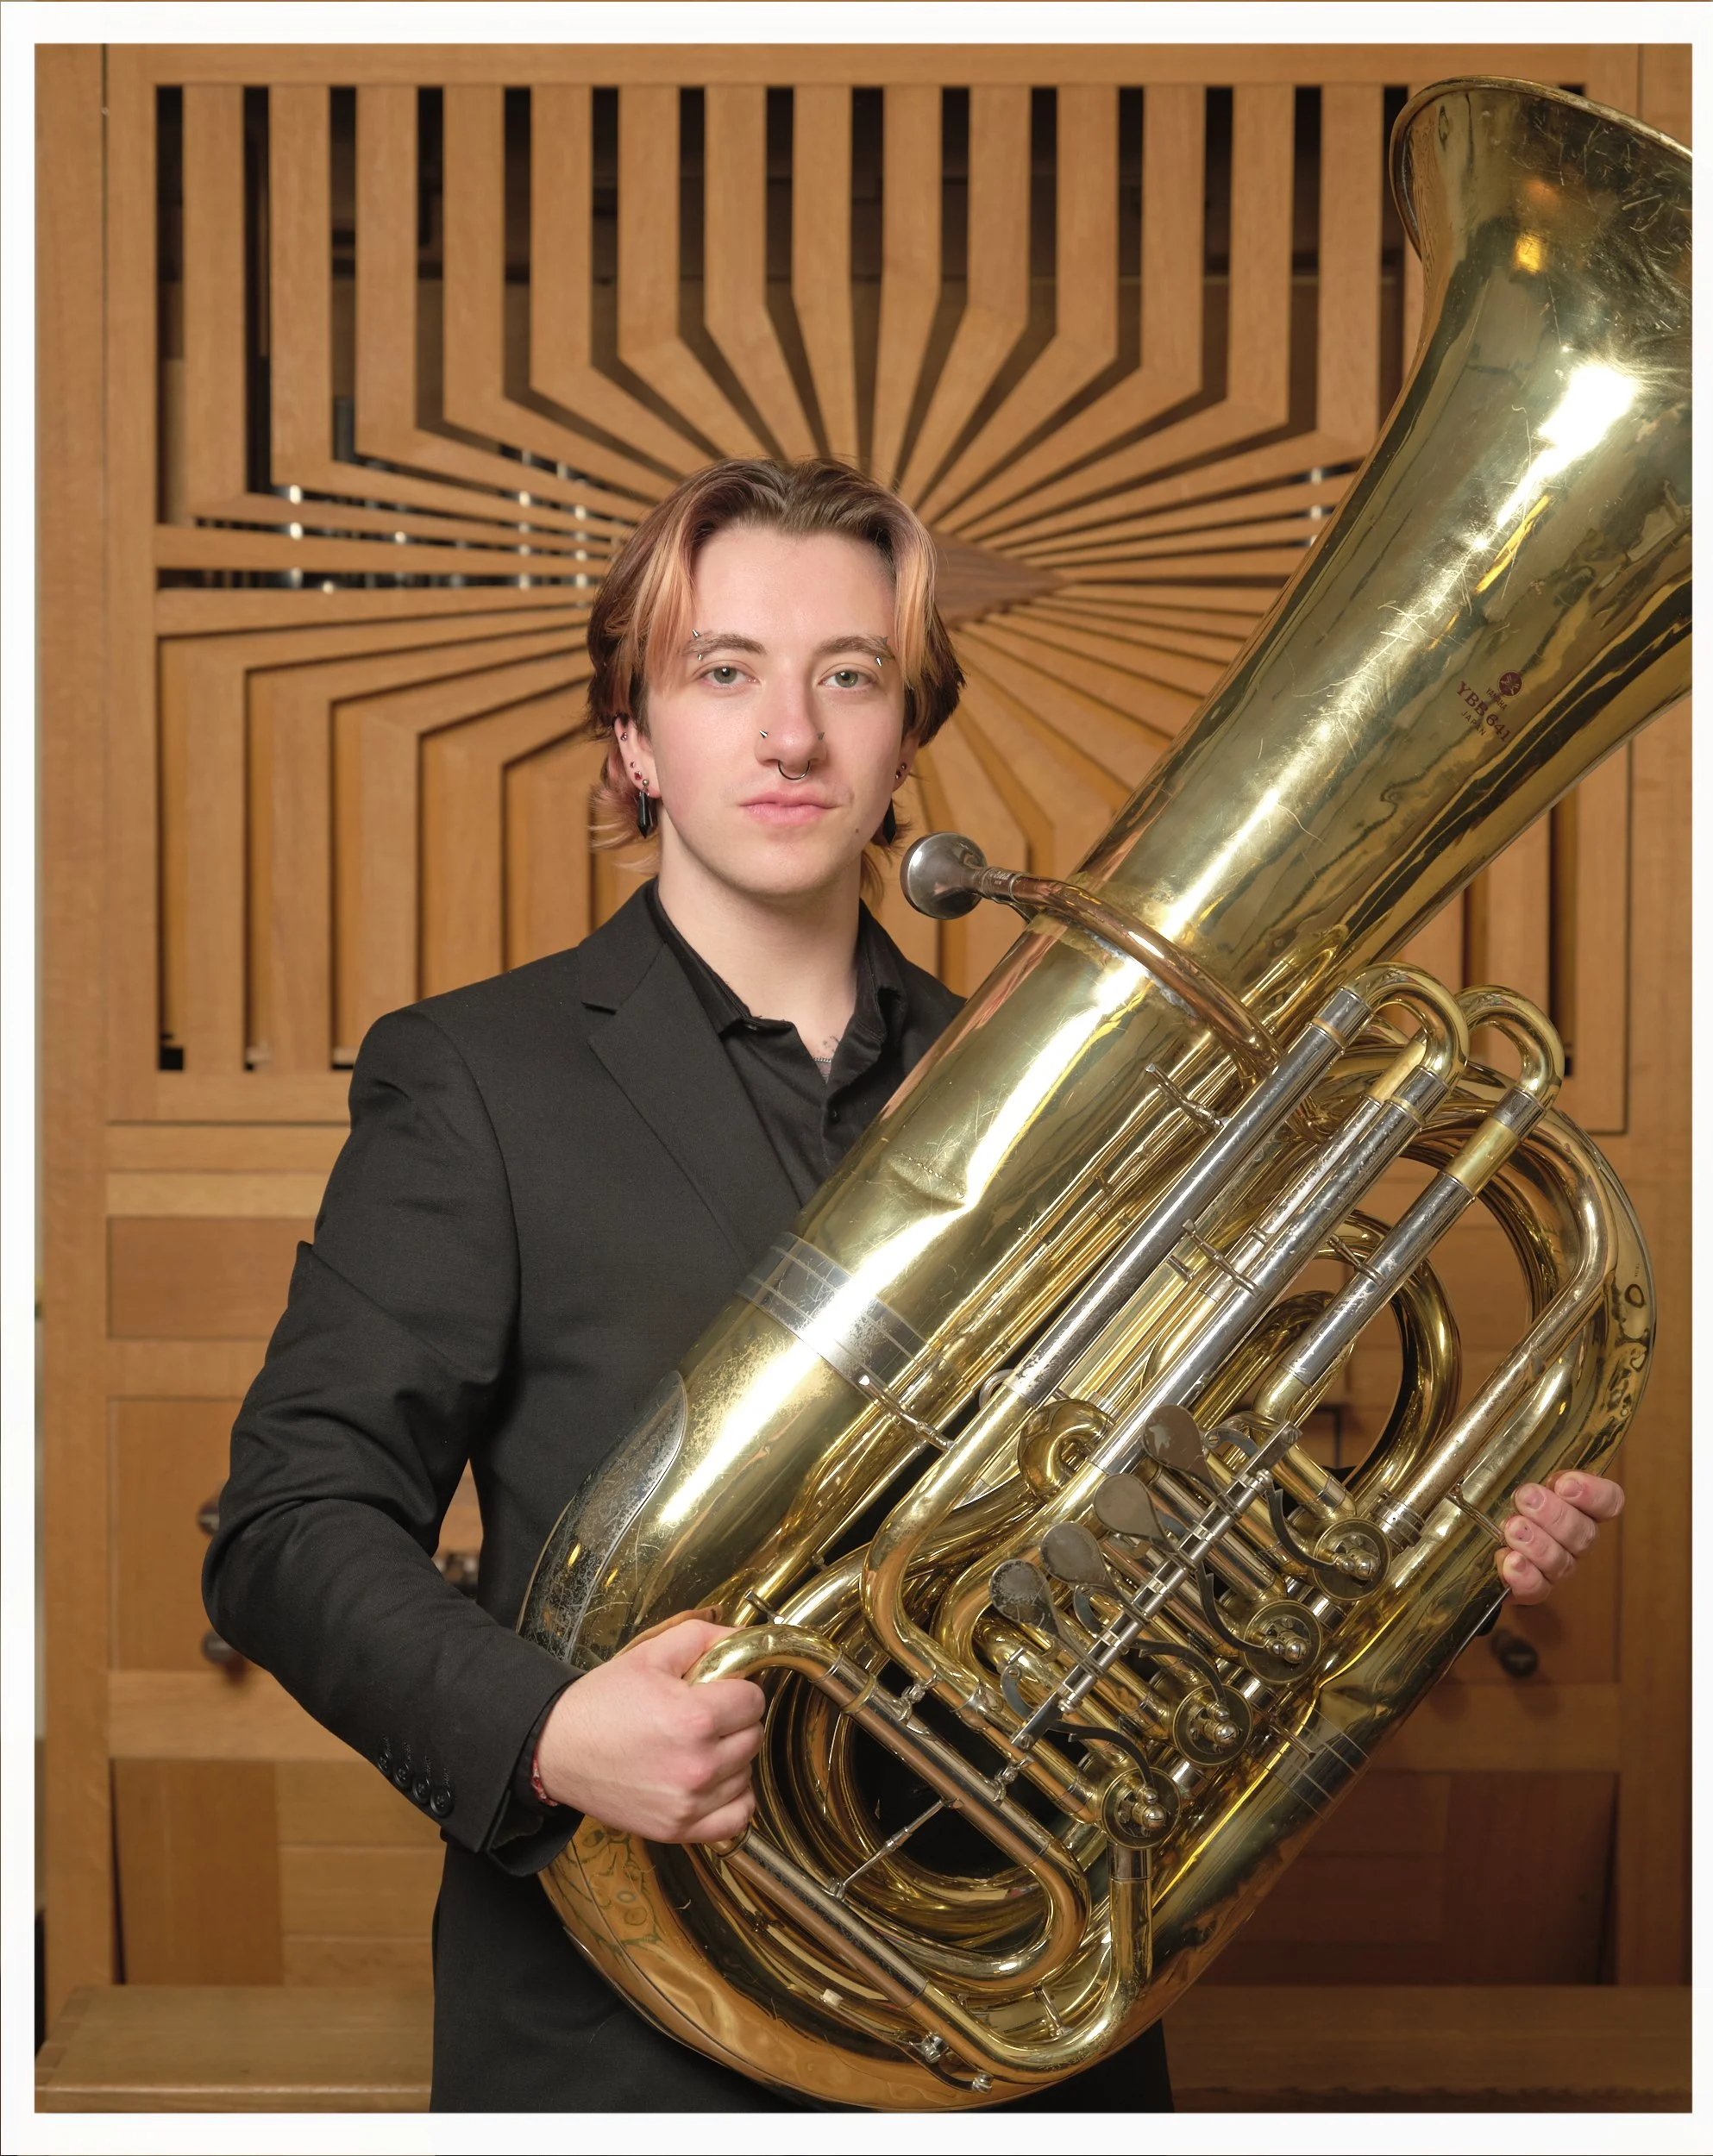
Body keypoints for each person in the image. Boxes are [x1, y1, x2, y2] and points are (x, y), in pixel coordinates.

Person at [204, 456, 1627, 2114]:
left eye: (850, 677)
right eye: (723, 672)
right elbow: (287, 1524)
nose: (790, 733)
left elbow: (1136, 1507)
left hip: (1028, 2015)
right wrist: (542, 1730)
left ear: (902, 745)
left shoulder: (1073, 1094)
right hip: (623, 2047)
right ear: (633, 742)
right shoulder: (475, 1077)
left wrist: (1422, 1552)